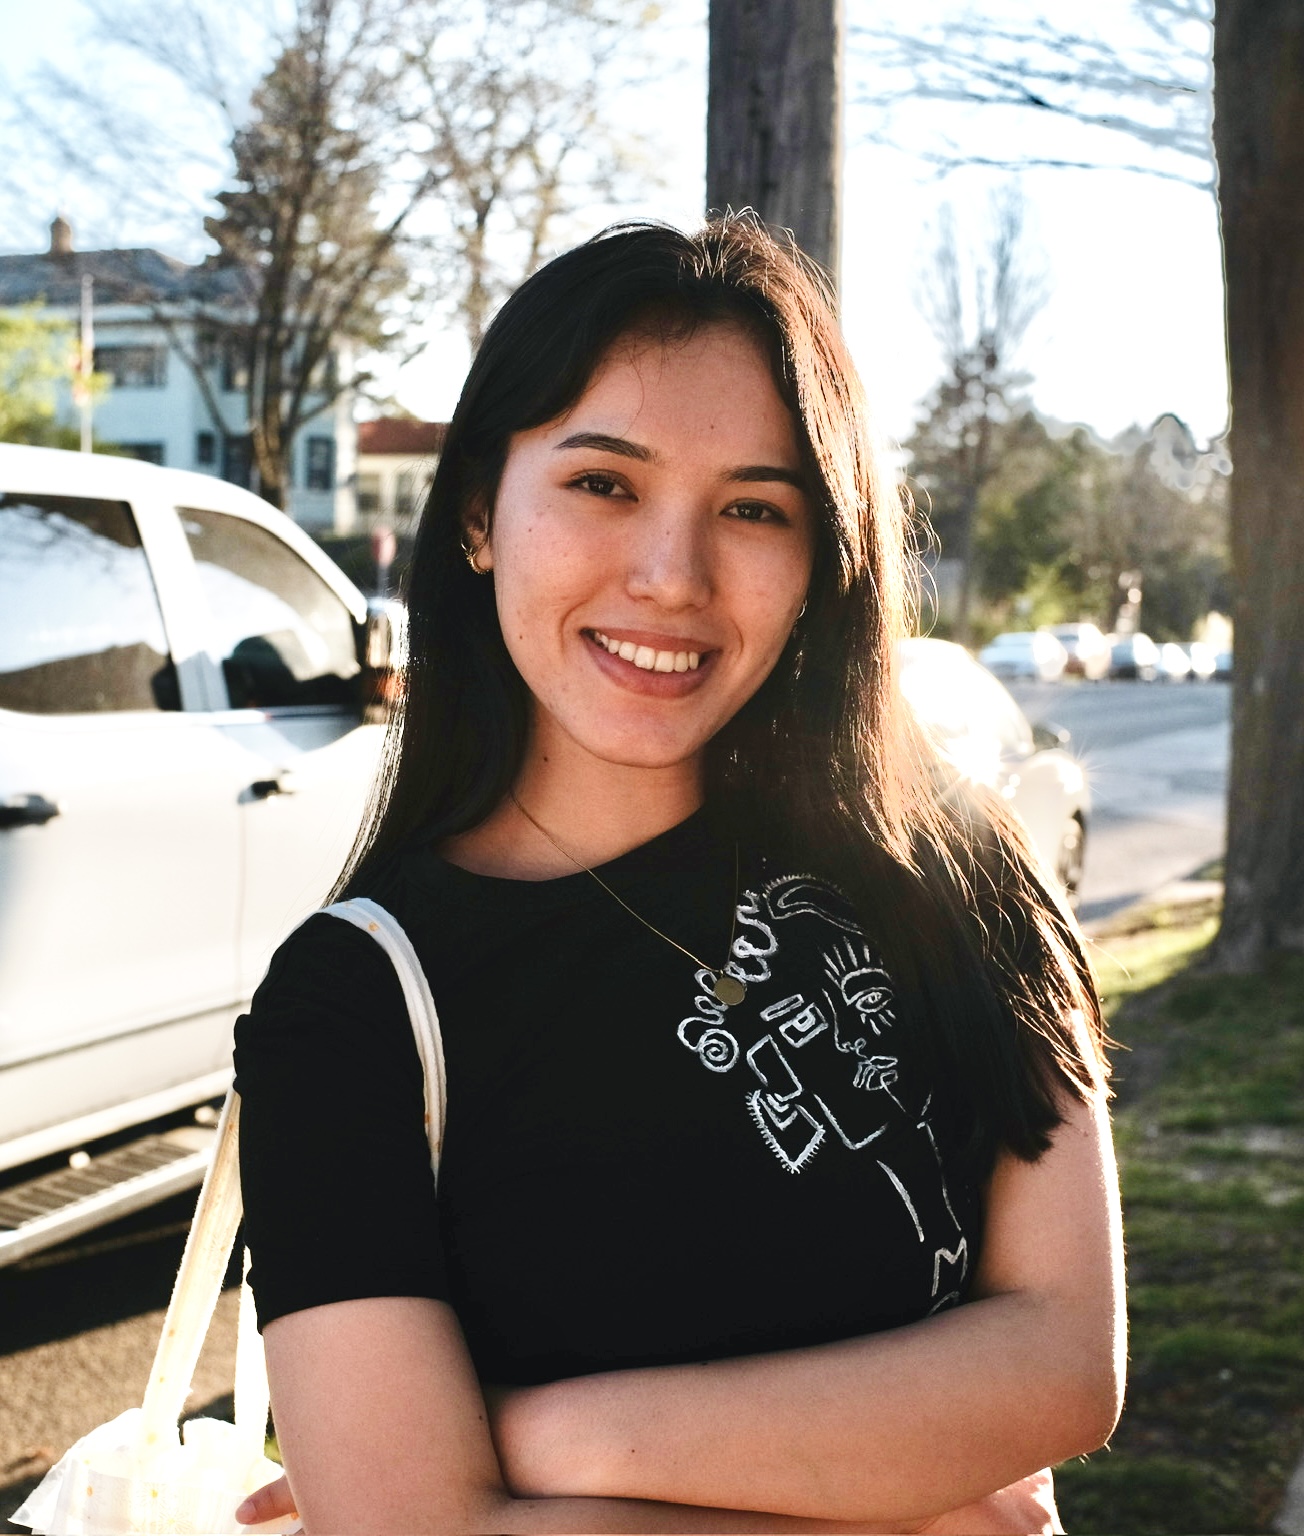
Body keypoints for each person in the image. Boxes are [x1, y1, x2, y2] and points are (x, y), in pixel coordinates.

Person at [232, 217, 1124, 1535]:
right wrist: (924, 1505)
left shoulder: (956, 872)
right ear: (480, 511)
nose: (673, 577)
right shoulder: (353, 1006)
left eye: (755, 508)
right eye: (603, 484)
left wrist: (552, 1439)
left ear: (825, 555)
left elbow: (1063, 1368)